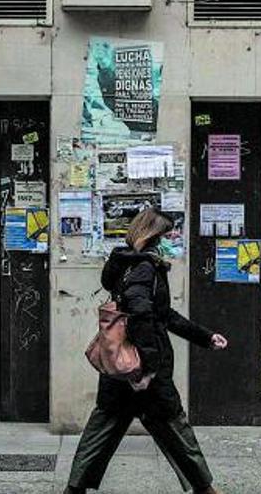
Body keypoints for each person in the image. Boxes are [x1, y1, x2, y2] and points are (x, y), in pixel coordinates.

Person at [65, 208, 229, 494]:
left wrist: (204, 336)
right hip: (142, 368)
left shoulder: (128, 264)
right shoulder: (145, 268)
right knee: (175, 427)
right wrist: (148, 368)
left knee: (103, 427)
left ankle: (74, 490)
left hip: (122, 366)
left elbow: (163, 314)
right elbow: (141, 313)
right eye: (168, 233)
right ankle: (206, 490)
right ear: (154, 236)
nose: (173, 238)